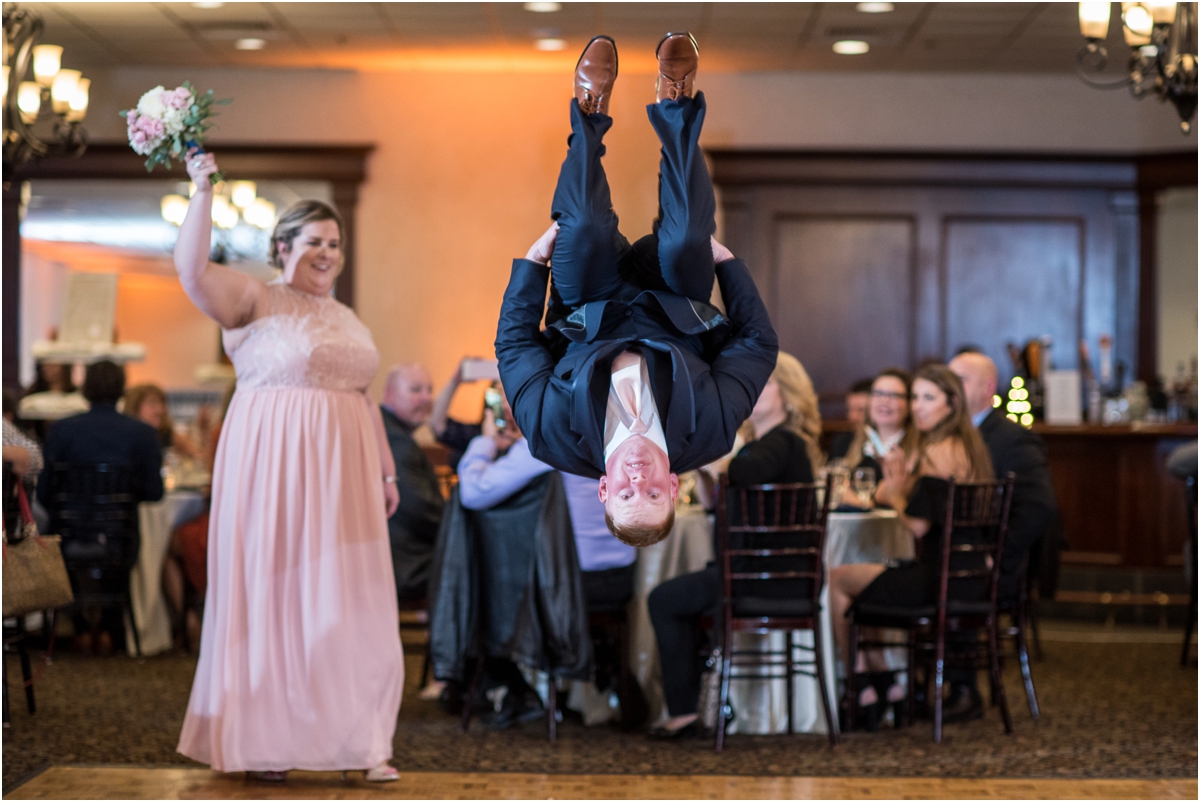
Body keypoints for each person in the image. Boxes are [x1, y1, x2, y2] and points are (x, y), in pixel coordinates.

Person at [495, 32, 778, 548]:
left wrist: (533, 268)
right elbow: (757, 347)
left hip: (588, 305)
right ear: (674, 486)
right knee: (689, 235)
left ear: (603, 489)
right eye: (653, 495)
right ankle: (677, 101)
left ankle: (589, 110)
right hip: (676, 304)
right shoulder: (711, 433)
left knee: (581, 227)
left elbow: (515, 347)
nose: (638, 482)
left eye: (628, 496)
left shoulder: (549, 437)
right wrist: (729, 266)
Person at [173, 150, 402, 783]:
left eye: (335, 243)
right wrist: (201, 190)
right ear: (282, 247)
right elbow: (191, 272)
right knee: (278, 595)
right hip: (274, 472)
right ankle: (267, 739)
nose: (327, 253)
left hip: (348, 478)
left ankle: (362, 742)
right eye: (314, 242)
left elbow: (363, 397)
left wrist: (385, 472)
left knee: (348, 602)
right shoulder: (253, 298)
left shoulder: (346, 317)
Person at [646, 352, 819, 739]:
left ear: (788, 395)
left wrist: (715, 453)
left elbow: (744, 471)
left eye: (764, 383)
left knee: (664, 599)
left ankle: (686, 713)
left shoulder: (784, 443)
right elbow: (718, 504)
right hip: (753, 573)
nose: (751, 391)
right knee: (677, 598)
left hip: (767, 577)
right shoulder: (764, 445)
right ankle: (699, 707)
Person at [827, 365, 994, 728]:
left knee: (839, 580)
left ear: (951, 404)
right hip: (969, 575)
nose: (918, 407)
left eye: (927, 398)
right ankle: (885, 683)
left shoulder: (938, 453)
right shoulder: (969, 446)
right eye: (915, 397)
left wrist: (899, 492)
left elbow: (918, 526)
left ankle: (860, 683)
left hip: (940, 582)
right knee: (865, 582)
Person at [947, 350, 1060, 721]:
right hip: (953, 552)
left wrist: (997, 556)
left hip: (994, 566)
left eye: (960, 380)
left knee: (955, 575)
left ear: (988, 388)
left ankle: (964, 688)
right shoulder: (940, 436)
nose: (951, 389)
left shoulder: (1011, 439)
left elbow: (1040, 507)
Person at [38, 361, 164, 656]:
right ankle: (110, 626)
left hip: (70, 538)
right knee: (121, 539)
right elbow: (155, 493)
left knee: (63, 540)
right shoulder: (141, 433)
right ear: (122, 390)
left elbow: (44, 493)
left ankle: (81, 626)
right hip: (120, 541)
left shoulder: (62, 430)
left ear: (86, 389)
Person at [380, 363, 445, 603]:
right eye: (416, 390)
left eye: (430, 389)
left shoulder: (390, 431)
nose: (427, 398)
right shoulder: (396, 442)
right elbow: (420, 509)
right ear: (389, 394)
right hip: (406, 565)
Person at [839, 369, 918, 491]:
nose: (884, 401)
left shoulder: (919, 448)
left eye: (893, 395)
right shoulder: (844, 443)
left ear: (909, 404)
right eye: (878, 393)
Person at [123, 383, 202, 459]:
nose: (160, 410)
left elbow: (200, 458)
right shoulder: (125, 439)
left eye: (162, 403)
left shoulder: (170, 436)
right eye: (152, 403)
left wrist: (203, 430)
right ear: (134, 406)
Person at [828, 377, 874, 461]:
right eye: (849, 409)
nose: (852, 417)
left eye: (860, 410)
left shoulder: (882, 447)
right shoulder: (841, 443)